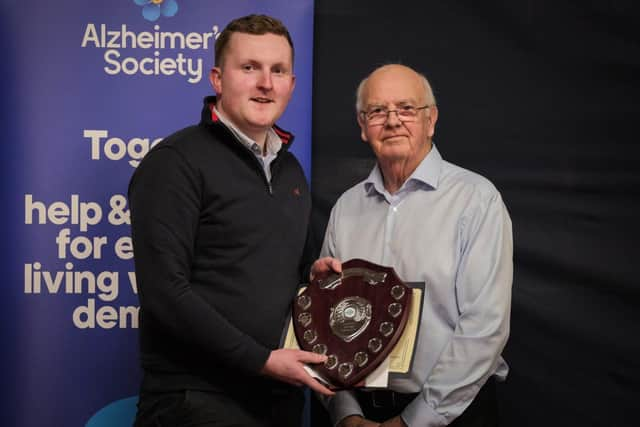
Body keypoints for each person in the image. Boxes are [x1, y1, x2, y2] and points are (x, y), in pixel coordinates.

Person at [128, 14, 333, 427]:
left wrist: (315, 274)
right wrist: (260, 360)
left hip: (279, 398)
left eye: (278, 71)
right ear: (217, 79)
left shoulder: (290, 169)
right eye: (249, 68)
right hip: (196, 401)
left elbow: (277, 268)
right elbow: (165, 293)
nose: (266, 83)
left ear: (292, 84)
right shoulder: (176, 162)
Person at [311, 64, 513, 427]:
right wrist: (346, 413)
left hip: (452, 414)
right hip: (361, 414)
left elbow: (485, 327)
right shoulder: (346, 208)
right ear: (362, 125)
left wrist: (413, 421)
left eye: (406, 108)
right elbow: (327, 325)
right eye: (377, 111)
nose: (392, 121)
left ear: (431, 120)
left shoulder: (476, 200)